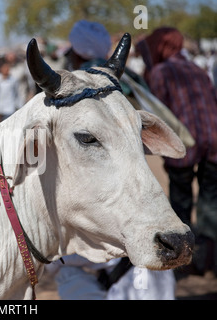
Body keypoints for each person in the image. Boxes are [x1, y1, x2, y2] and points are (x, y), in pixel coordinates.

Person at [53, 20, 177, 300]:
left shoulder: (71, 90)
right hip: (139, 194)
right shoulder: (129, 82)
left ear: (76, 52)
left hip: (98, 229)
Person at [137, 27, 217, 276]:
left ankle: (184, 263)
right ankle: (208, 261)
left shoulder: (161, 73)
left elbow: (157, 113)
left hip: (185, 148)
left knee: (181, 204)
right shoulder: (198, 70)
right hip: (214, 142)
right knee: (210, 204)